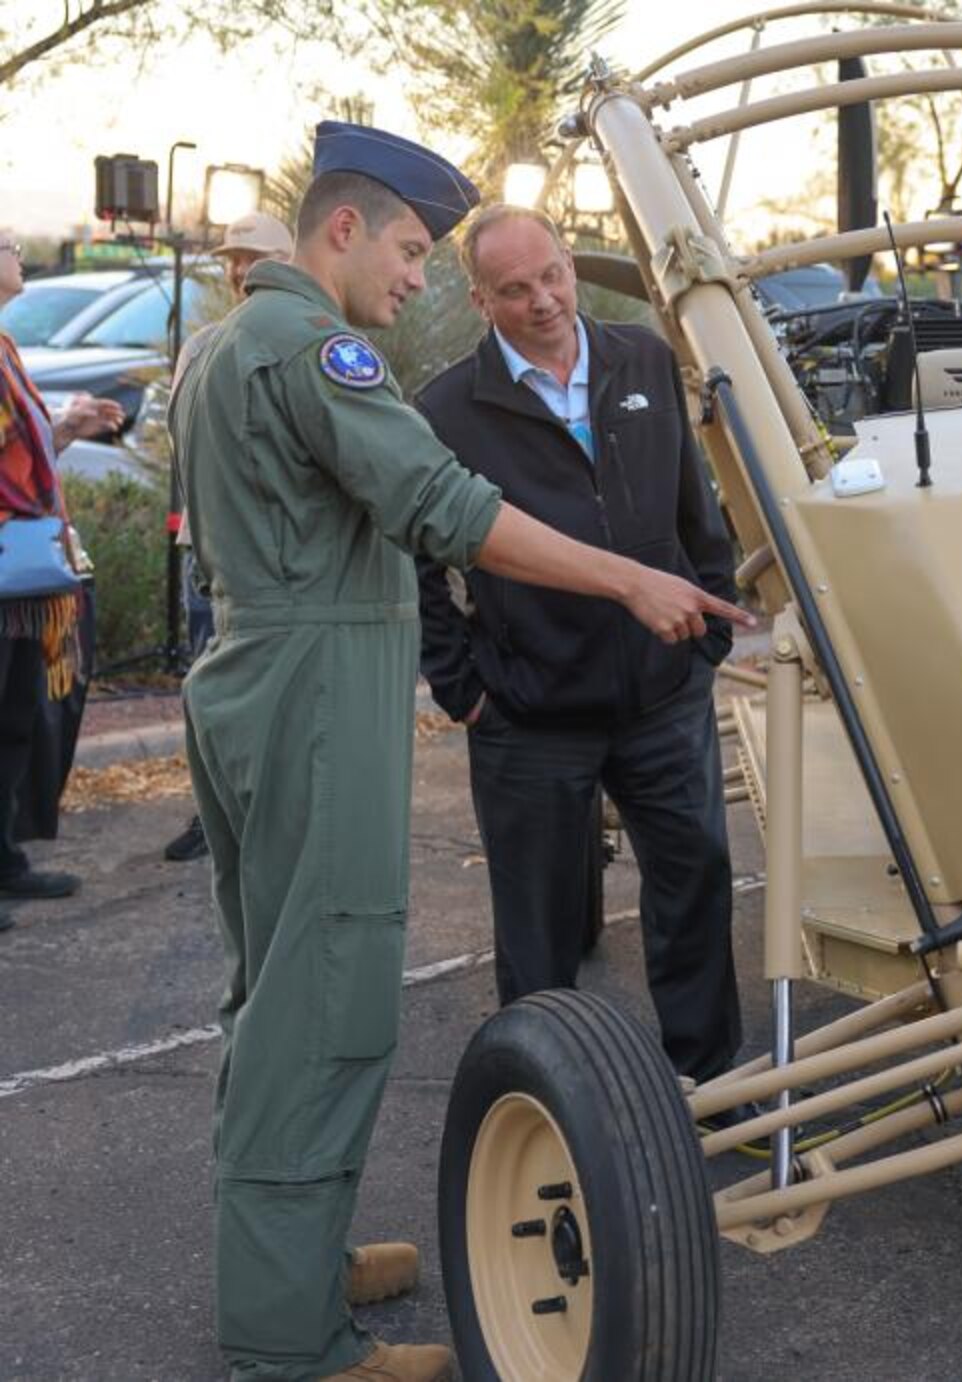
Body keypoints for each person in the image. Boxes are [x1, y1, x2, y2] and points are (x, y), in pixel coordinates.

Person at [169, 123, 753, 1382]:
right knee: (322, 1005)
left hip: (249, 687)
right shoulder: (315, 346)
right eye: (408, 248)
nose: (415, 279)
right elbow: (448, 510)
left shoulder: (223, 344)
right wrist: (625, 577)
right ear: (342, 228)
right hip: (314, 701)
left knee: (271, 987)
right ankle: (291, 1341)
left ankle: (294, 1257)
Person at [415, 205, 743, 1083]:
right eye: (515, 290)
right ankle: (542, 1099)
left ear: (570, 264)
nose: (544, 301)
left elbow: (693, 508)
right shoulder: (447, 409)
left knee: (696, 882)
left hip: (661, 696)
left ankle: (709, 1084)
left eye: (553, 275)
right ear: (482, 301)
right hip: (531, 715)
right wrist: (467, 690)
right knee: (539, 925)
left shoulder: (642, 359)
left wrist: (704, 635)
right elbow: (417, 565)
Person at [0, 231, 123, 937]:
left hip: (21, 574)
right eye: (8, 244)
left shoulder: (8, 347)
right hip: (11, 563)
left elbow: (22, 457)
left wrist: (66, 427)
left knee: (15, 716)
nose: (18, 254)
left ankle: (5, 857)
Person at [164, 210, 295, 864]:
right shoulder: (204, 347)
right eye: (233, 259)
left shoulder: (301, 343)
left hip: (268, 561)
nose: (240, 270)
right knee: (209, 683)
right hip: (209, 549)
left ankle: (256, 816)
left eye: (254, 256)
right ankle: (210, 813)